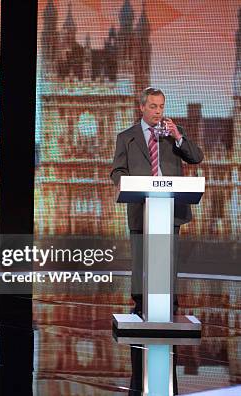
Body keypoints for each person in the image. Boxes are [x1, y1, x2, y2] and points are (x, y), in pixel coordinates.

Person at [110, 87, 204, 316]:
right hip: (140, 207)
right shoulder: (127, 137)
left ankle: (169, 306)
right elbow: (117, 171)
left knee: (168, 259)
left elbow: (197, 157)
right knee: (140, 259)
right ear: (141, 107)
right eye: (153, 106)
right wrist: (128, 184)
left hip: (170, 207)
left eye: (161, 106)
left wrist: (178, 138)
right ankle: (140, 305)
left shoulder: (174, 133)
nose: (158, 111)